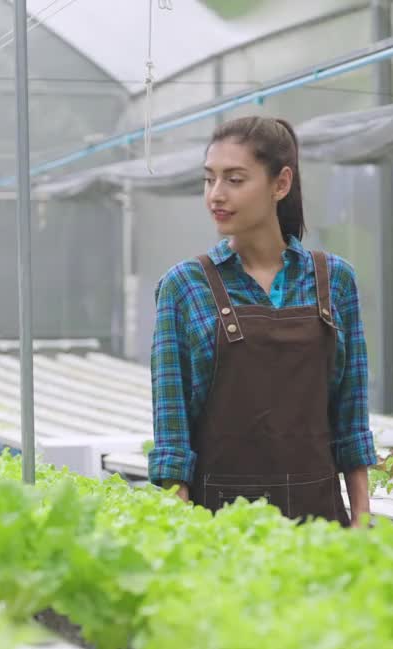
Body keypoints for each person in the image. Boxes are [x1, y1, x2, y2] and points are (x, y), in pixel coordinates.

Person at [148, 116, 375, 527]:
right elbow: (172, 439)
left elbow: (351, 420)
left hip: (321, 529)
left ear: (280, 184)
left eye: (234, 180)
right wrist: (183, 534)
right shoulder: (185, 286)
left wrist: (362, 518)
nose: (216, 195)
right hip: (220, 533)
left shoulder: (333, 281)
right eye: (209, 179)